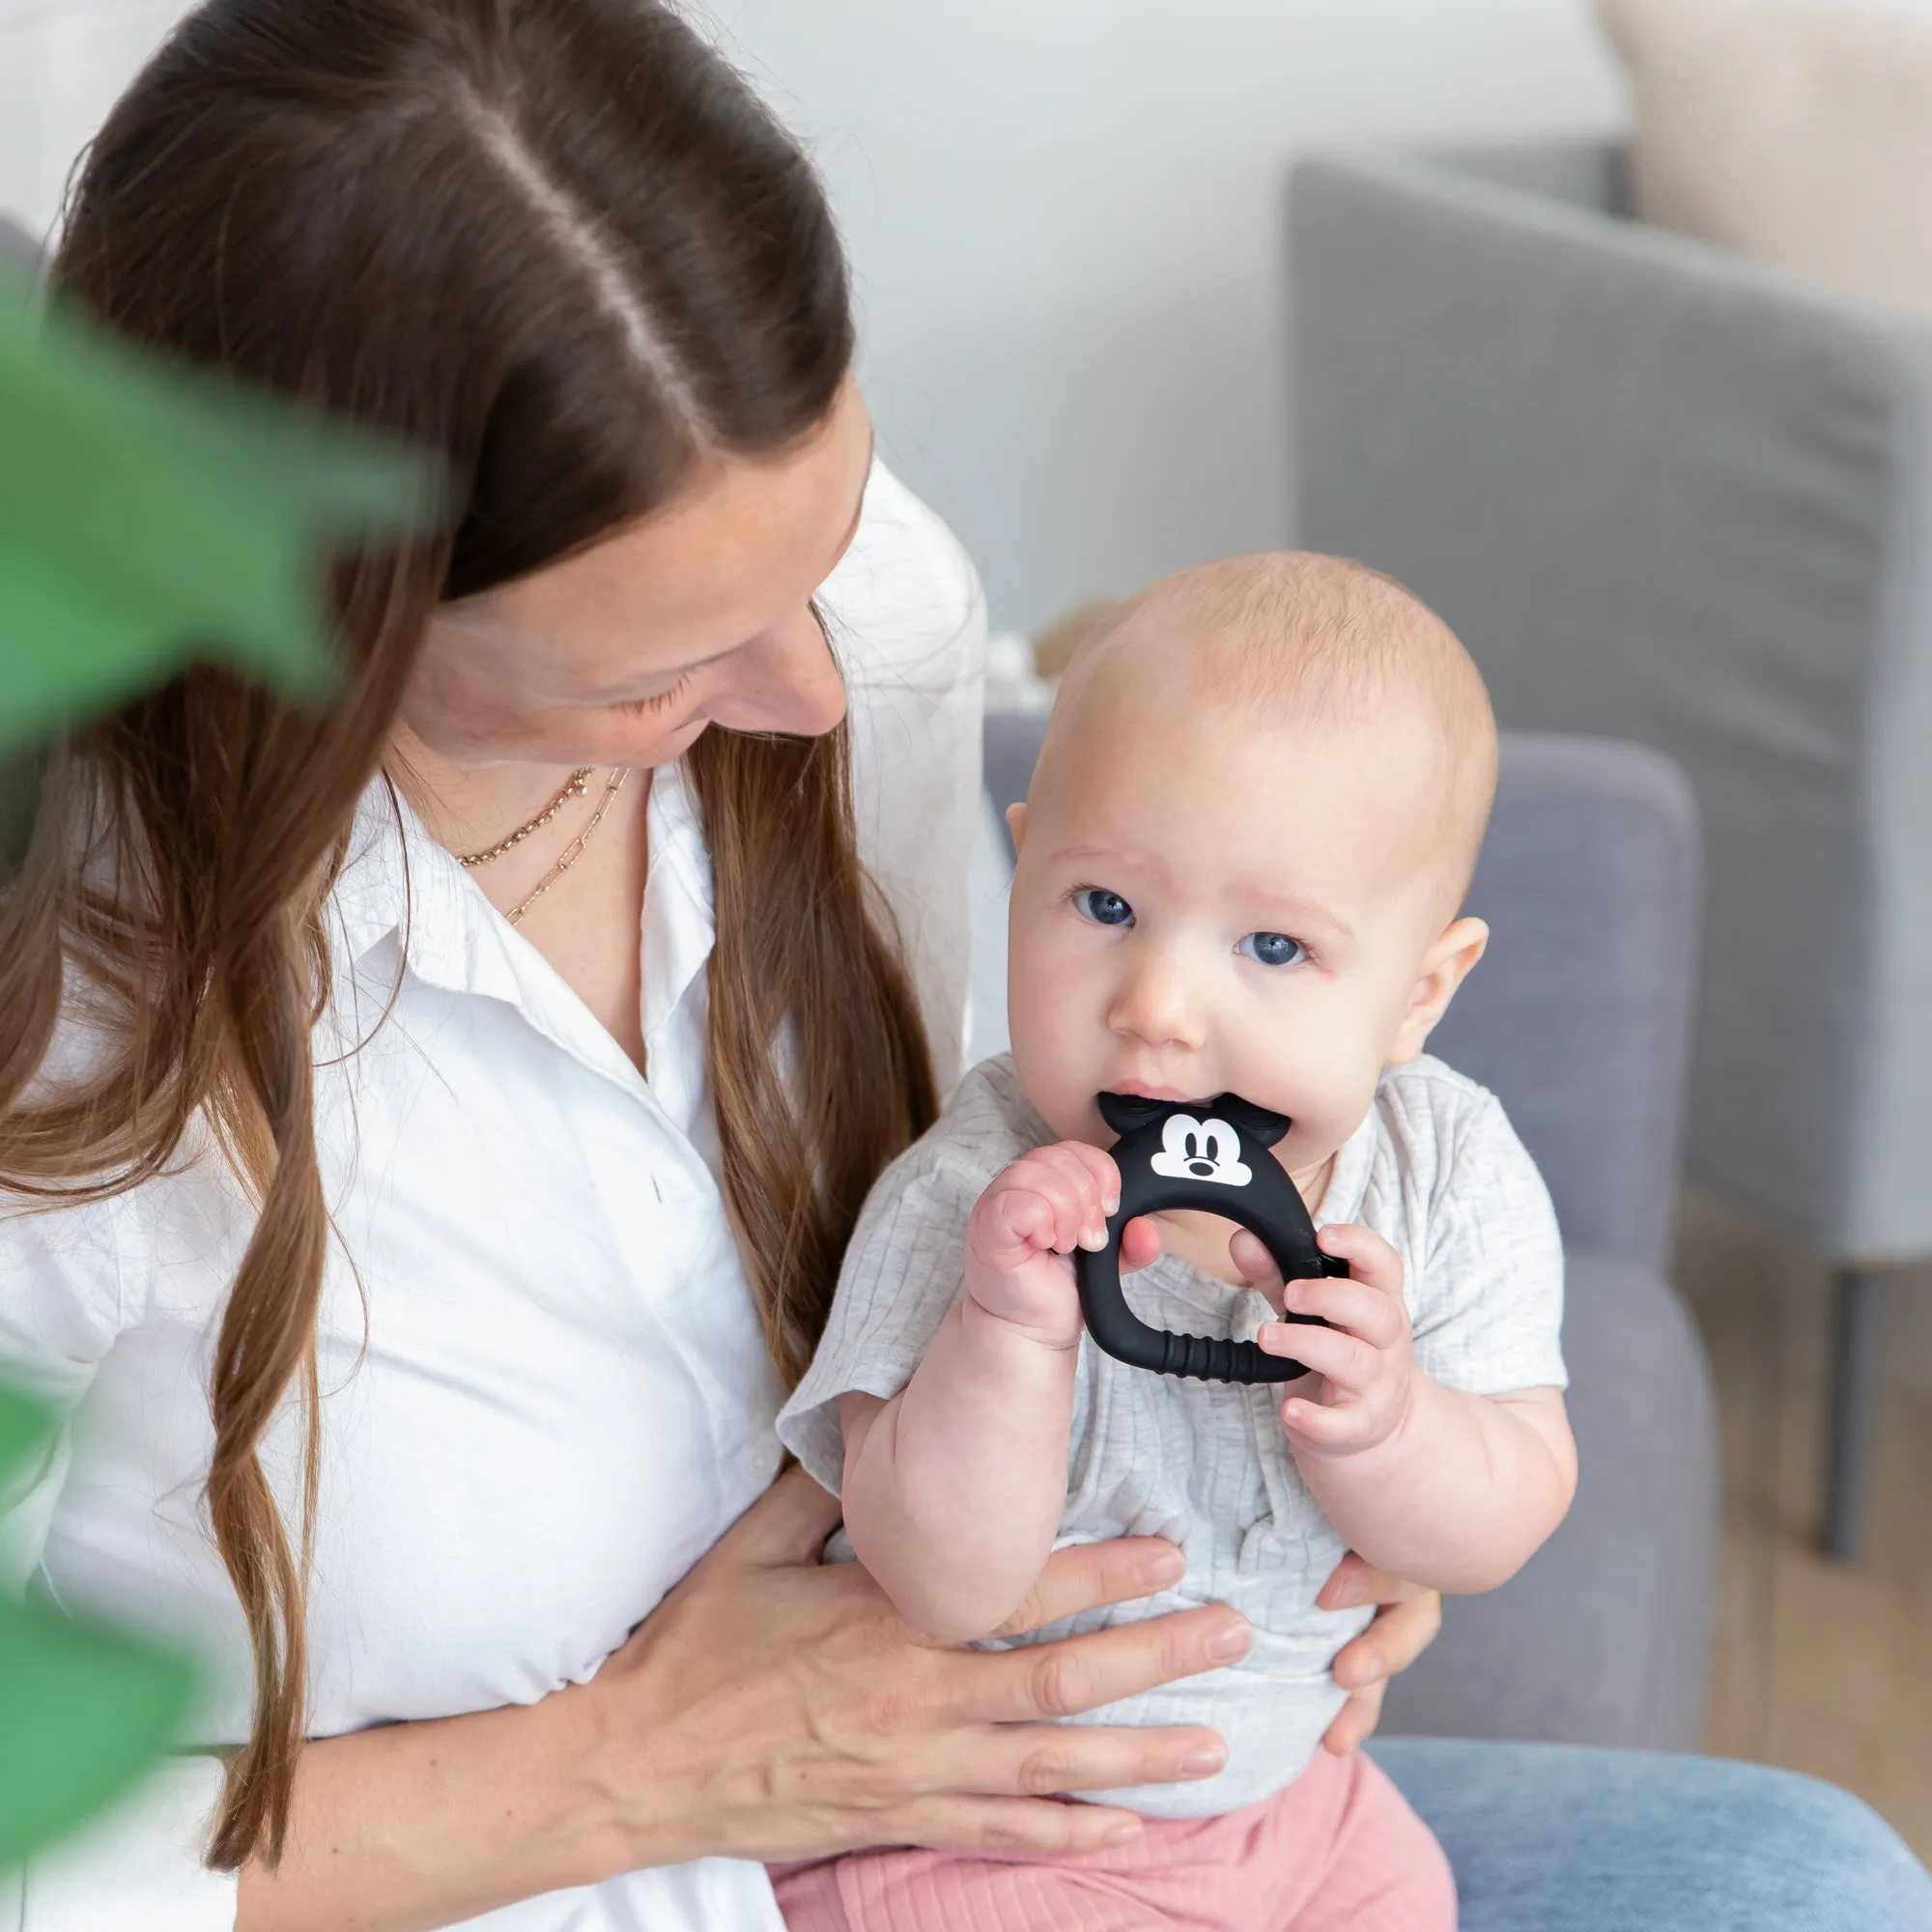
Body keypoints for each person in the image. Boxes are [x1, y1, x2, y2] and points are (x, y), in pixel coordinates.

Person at [0, 6, 1926, 1932]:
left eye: (816, 548)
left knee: (1814, 1877)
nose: (815, 699)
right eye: (650, 673)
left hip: (1108, 1785)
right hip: (567, 1885)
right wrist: (638, 1765)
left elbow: (1078, 1110)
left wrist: (1359, 1480)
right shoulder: (61, 1038)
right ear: (310, 615)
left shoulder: (872, 621)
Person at [771, 554, 1574, 1929]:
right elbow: (940, 1578)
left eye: (1270, 947)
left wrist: (1390, 1424)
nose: (1156, 1009)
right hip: (981, 1835)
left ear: (1417, 994)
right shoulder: (973, 1194)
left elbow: (1503, 1516)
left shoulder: (1446, 1170)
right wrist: (1009, 1336)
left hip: (1299, 1813)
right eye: (1104, 909)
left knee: (1408, 1896)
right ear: (1023, 873)